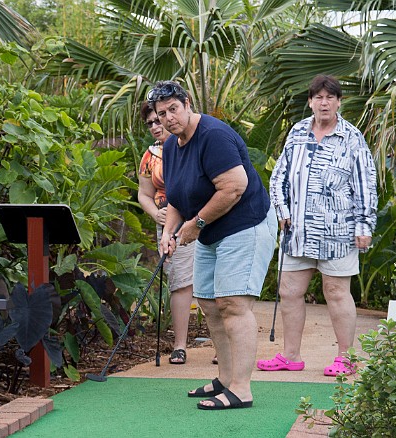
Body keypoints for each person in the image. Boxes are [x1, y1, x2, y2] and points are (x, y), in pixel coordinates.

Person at [148, 80, 276, 410]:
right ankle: (227, 378)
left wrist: (195, 225)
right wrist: (168, 232)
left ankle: (242, 390)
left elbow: (234, 187)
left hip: (244, 223)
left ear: (187, 103)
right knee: (207, 302)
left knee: (233, 304)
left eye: (173, 109)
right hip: (209, 230)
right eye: (162, 114)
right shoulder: (173, 146)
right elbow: (178, 197)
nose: (168, 118)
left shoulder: (213, 136)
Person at [257, 75, 377, 376]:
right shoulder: (297, 132)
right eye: (318, 97)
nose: (324, 103)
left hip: (339, 232)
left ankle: (345, 358)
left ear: (339, 102)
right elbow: (278, 177)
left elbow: (366, 184)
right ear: (310, 101)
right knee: (289, 290)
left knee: (336, 291)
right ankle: (290, 356)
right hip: (297, 231)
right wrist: (281, 210)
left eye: (330, 97)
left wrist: (365, 224)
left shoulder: (352, 138)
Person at [137, 101, 195, 365]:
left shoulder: (192, 144)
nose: (155, 126)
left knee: (209, 282)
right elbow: (144, 194)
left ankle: (222, 346)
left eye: (158, 120)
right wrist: (155, 214)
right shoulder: (150, 156)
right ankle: (179, 345)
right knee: (179, 281)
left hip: (198, 219)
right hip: (168, 224)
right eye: (150, 123)